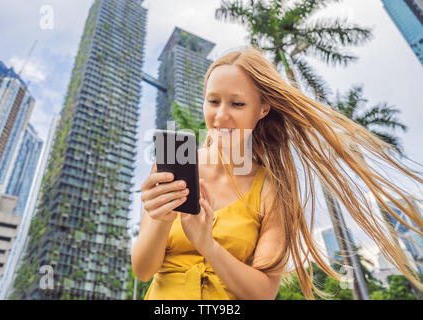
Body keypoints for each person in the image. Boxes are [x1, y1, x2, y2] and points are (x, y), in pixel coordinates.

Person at [131, 48, 423, 300]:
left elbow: (263, 293)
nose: (220, 116)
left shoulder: (272, 188)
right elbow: (143, 269)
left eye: (237, 103)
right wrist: (159, 220)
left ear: (262, 109)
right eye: (213, 101)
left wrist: (206, 243)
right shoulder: (173, 163)